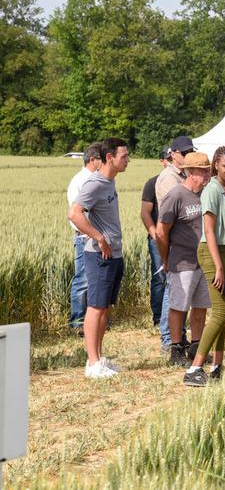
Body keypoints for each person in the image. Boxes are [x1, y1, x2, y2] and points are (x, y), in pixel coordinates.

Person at [68, 137, 129, 378]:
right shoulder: (95, 184)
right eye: (124, 156)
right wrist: (99, 237)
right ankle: (92, 363)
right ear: (110, 157)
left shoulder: (108, 182)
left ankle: (99, 358)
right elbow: (74, 213)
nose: (128, 160)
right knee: (95, 307)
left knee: (104, 308)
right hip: (99, 255)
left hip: (114, 253)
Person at [183, 147, 225, 386]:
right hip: (212, 252)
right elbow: (208, 230)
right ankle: (195, 369)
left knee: (224, 311)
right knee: (221, 311)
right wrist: (217, 265)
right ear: (216, 165)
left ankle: (217, 367)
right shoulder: (212, 191)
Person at [155, 152, 212, 367]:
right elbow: (161, 232)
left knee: (200, 306)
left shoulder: (205, 194)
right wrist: (166, 258)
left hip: (203, 261)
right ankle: (176, 348)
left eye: (208, 170)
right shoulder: (176, 195)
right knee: (179, 306)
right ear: (190, 171)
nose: (207, 174)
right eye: (203, 170)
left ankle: (197, 347)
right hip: (183, 261)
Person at [155, 135, 195, 353]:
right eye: (184, 153)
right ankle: (169, 338)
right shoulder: (169, 178)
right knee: (174, 291)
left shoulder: (181, 175)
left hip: (183, 240)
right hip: (173, 240)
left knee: (182, 291)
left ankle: (178, 336)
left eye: (191, 152)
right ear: (173, 154)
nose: (188, 156)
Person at [66, 142, 102, 335]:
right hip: (84, 236)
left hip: (92, 235)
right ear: (93, 160)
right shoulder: (81, 181)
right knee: (83, 278)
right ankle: (77, 320)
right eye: (101, 159)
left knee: (93, 279)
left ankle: (90, 319)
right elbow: (77, 213)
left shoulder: (94, 179)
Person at [140, 146, 171, 327]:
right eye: (166, 158)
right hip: (157, 238)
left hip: (175, 238)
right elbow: (145, 213)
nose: (169, 162)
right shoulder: (153, 183)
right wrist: (155, 235)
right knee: (159, 277)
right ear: (162, 161)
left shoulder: (182, 181)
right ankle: (159, 317)